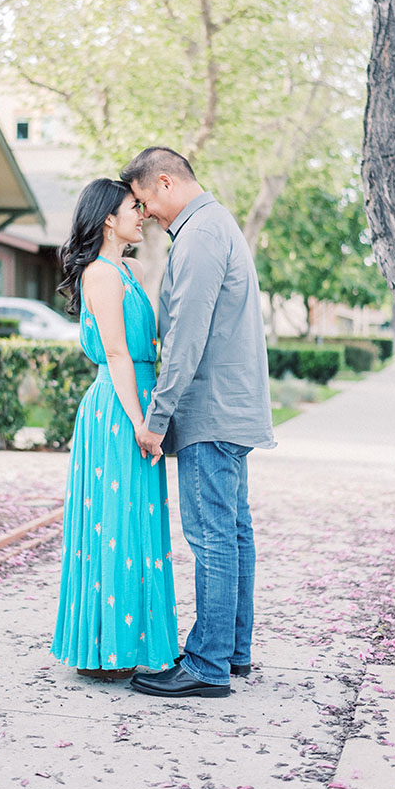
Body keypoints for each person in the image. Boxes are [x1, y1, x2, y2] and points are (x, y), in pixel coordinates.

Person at [120, 146, 275, 698]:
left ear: (164, 183)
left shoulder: (202, 233)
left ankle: (206, 665)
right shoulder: (214, 225)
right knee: (232, 533)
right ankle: (231, 651)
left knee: (212, 537)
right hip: (232, 408)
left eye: (144, 201)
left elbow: (185, 336)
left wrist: (157, 419)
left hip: (212, 412)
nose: (147, 215)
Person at [50, 178, 179, 680]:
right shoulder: (99, 275)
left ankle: (138, 643)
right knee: (115, 524)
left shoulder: (132, 268)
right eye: (133, 207)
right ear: (108, 218)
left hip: (141, 401)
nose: (141, 214)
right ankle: (109, 649)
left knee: (140, 523)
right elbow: (121, 354)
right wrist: (142, 423)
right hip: (120, 409)